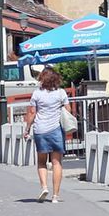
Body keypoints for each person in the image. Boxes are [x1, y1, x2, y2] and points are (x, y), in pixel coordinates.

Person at [25, 67, 69, 203]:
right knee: (56, 162)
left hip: (40, 130)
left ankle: (44, 187)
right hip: (55, 129)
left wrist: (27, 128)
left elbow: (32, 112)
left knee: (42, 161)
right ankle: (55, 195)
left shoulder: (37, 94)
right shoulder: (61, 93)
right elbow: (68, 110)